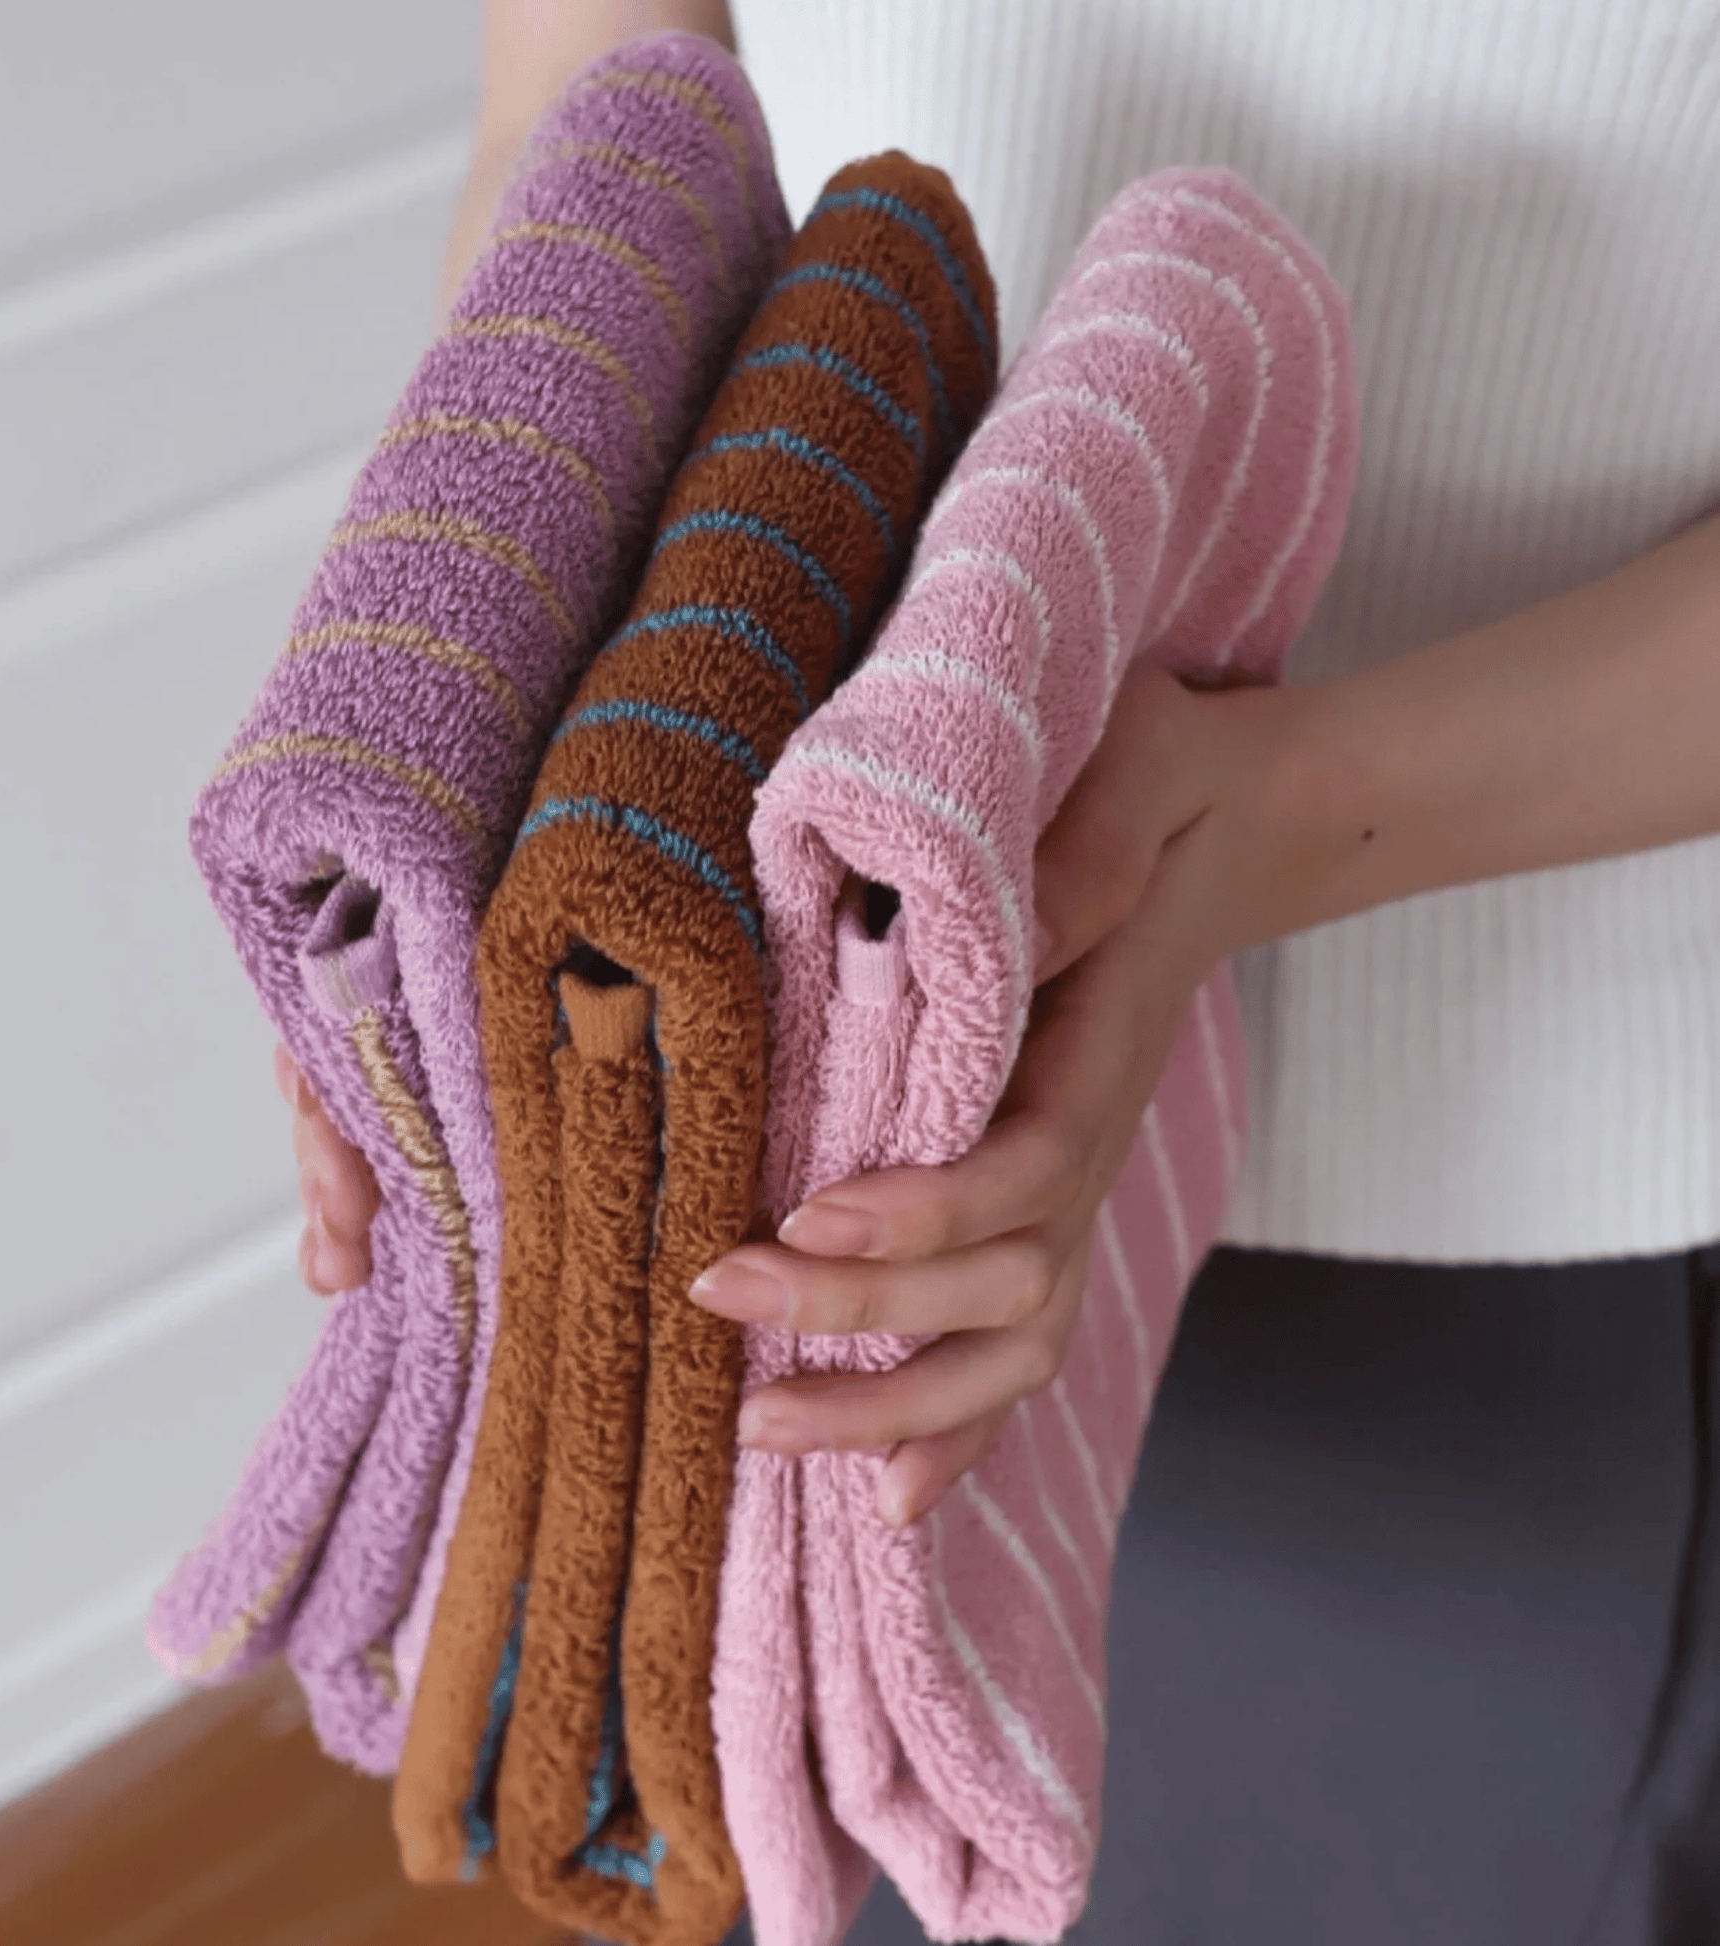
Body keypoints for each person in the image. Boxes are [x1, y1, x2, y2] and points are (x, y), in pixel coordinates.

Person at [278, 2, 1720, 1938]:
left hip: (1517, 1231)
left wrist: (1262, 827)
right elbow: (594, 117)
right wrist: (443, 781)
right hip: (804, 1135)